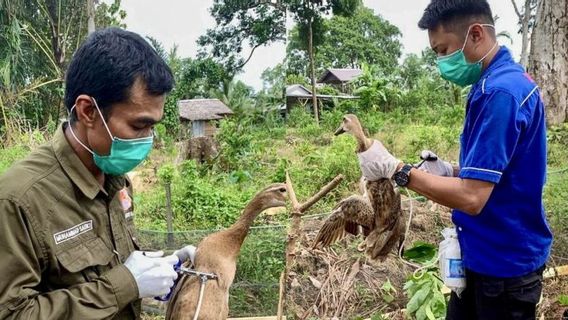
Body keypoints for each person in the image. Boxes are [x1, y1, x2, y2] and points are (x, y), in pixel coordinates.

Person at [357, 1, 553, 319]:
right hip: (486, 255)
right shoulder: (505, 83)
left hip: (501, 269)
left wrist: (397, 170)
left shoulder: (499, 94)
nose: (440, 61)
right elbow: (503, 171)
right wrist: (451, 170)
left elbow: (472, 198)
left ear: (475, 34)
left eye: (443, 49)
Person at [0, 28, 195, 319]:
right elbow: (11, 313)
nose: (148, 139)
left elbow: (109, 268)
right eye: (139, 125)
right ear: (89, 111)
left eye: (153, 126)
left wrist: (157, 270)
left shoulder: (116, 180)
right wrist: (125, 285)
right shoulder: (19, 200)